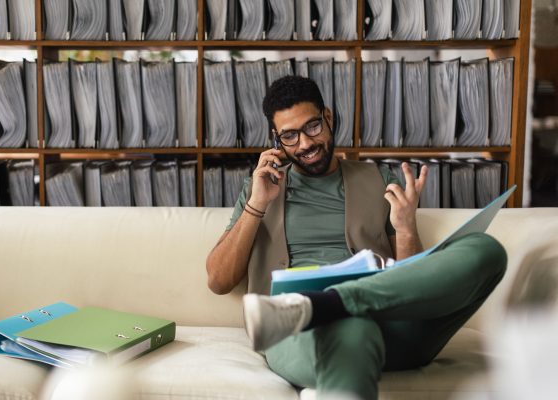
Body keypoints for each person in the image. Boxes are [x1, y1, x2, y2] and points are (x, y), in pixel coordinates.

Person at [206, 75, 507, 400]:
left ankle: (325, 303)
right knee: (351, 325)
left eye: (312, 127)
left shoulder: (379, 179)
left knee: (486, 250)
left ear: (328, 117)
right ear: (276, 140)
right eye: (290, 136)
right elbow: (218, 281)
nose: (305, 143)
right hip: (298, 334)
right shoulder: (260, 190)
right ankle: (327, 309)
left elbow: (411, 281)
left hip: (390, 324)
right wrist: (256, 204)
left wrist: (405, 227)